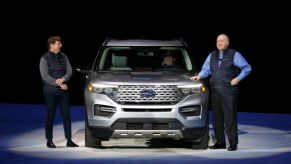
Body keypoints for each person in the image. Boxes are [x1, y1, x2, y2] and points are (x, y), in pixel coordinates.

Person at [191, 34, 251, 151]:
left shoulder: (234, 54)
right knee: (217, 118)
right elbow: (206, 70)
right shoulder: (212, 55)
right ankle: (220, 142)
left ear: (227, 42)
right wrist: (199, 76)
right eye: (218, 41)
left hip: (229, 91)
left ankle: (233, 143)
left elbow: (247, 68)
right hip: (215, 91)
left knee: (230, 118)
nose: (219, 42)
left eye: (222, 41)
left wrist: (237, 79)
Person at [39, 36, 78, 148]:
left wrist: (64, 79)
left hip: (63, 91)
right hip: (50, 92)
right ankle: (49, 140)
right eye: (58, 43)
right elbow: (45, 76)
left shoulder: (64, 56)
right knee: (50, 115)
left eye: (60, 43)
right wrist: (58, 83)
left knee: (67, 115)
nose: (60, 45)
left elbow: (69, 71)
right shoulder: (44, 58)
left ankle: (69, 140)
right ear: (51, 45)